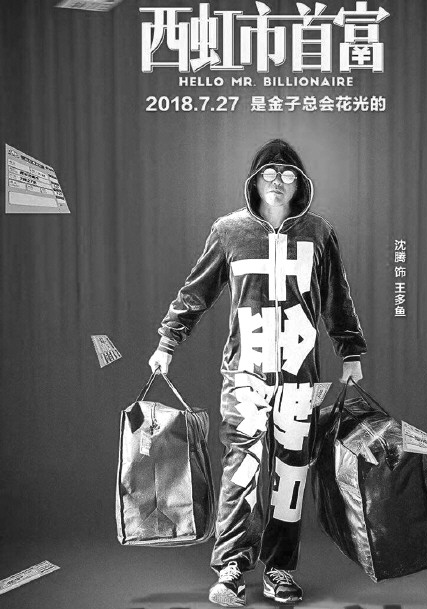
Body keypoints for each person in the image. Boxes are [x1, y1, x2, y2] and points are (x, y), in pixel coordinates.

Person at [149, 139, 367, 607]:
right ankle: (231, 568)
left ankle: (280, 569)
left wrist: (350, 351)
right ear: (254, 181)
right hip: (244, 374)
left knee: (291, 472)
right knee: (241, 468)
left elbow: (337, 296)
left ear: (300, 183)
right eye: (269, 172)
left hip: (300, 377)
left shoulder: (319, 232)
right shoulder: (229, 231)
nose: (277, 180)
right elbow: (196, 292)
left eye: (287, 173)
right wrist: (168, 342)